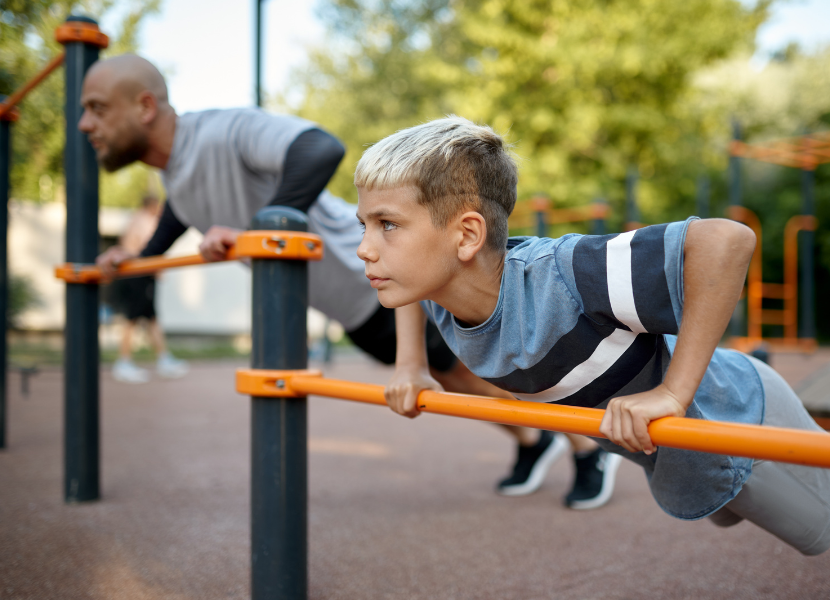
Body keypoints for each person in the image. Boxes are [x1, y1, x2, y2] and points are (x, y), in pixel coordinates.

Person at [358, 116, 830, 600]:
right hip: (672, 445)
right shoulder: (438, 284)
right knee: (812, 510)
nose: (365, 248)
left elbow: (727, 240)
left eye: (387, 225)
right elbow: (410, 295)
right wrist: (410, 362)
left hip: (727, 410)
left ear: (466, 234)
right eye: (365, 224)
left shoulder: (569, 275)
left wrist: (673, 394)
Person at [80, 55, 617, 508]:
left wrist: (261, 226)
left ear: (145, 107)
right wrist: (136, 255)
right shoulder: (176, 173)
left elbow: (319, 149)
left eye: (96, 109)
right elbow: (182, 210)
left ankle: (587, 448)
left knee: (485, 371)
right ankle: (532, 439)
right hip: (347, 301)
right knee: (451, 381)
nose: (85, 124)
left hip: (380, 278)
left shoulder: (225, 129)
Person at [110, 194, 189, 383]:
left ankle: (163, 358)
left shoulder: (134, 219)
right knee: (132, 319)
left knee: (152, 318)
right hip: (140, 275)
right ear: (153, 206)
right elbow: (150, 249)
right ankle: (124, 361)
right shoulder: (145, 220)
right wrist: (158, 271)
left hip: (136, 274)